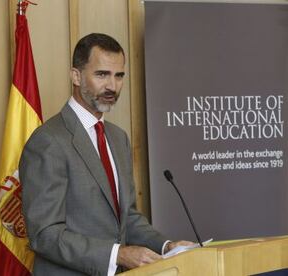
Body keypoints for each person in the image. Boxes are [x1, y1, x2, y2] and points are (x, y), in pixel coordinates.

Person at [19, 33, 193, 276]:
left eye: (119, 75)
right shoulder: (48, 141)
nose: (112, 86)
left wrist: (167, 247)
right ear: (76, 76)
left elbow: (127, 217)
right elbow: (44, 234)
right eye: (102, 74)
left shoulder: (118, 138)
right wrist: (118, 255)